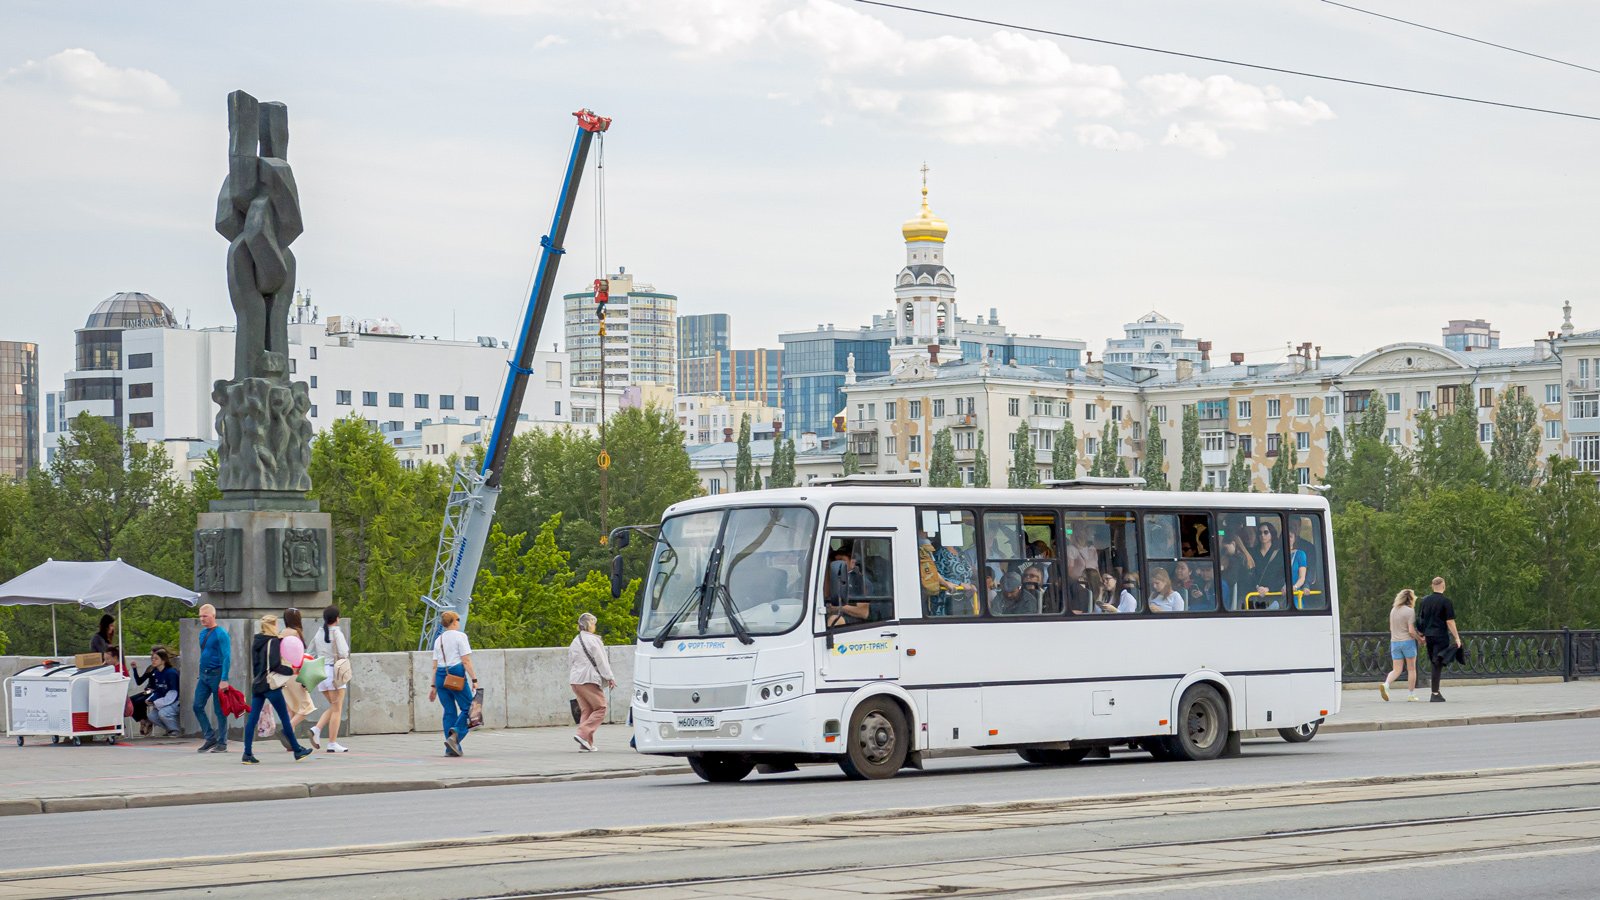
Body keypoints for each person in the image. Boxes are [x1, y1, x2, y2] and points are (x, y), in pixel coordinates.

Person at [242, 615, 312, 764]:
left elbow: (256, 665)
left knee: (253, 719)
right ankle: (297, 751)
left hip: (258, 683)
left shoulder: (257, 641)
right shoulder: (274, 641)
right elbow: (275, 665)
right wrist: (290, 671)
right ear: (273, 625)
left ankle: (247, 753)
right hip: (271, 685)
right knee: (285, 719)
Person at [429, 610, 478, 757]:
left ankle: (450, 748)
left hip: (440, 676)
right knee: (469, 707)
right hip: (455, 673)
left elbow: (434, 665)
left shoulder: (439, 640)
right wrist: (474, 679)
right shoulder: (460, 636)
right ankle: (455, 736)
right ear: (455, 621)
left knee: (449, 712)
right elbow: (465, 661)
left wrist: (433, 686)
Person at [569, 612, 616, 752]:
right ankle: (582, 733)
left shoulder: (575, 641)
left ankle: (585, 744)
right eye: (594, 624)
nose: (595, 626)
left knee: (587, 711)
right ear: (590, 625)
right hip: (588, 679)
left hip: (575, 680)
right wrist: (609, 677)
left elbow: (571, 661)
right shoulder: (594, 641)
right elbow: (602, 661)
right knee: (601, 707)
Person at [308, 606, 351, 753]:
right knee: (337, 709)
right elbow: (344, 652)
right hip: (334, 673)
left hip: (321, 671)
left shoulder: (319, 633)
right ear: (337, 618)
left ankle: (317, 729)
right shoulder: (337, 633)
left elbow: (310, 651)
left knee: (334, 706)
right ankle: (331, 742)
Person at [193, 604, 233, 754]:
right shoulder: (203, 633)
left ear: (213, 616)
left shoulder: (221, 633)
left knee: (220, 709)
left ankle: (222, 742)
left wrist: (224, 678)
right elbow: (204, 652)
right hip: (204, 674)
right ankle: (210, 737)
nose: (202, 619)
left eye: (205, 616)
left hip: (217, 674)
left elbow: (226, 656)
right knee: (197, 705)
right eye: (201, 616)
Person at [1416, 577, 1462, 702]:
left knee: (1434, 662)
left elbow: (1420, 619)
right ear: (1444, 586)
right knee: (1438, 663)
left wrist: (1421, 636)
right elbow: (1450, 621)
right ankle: (1435, 693)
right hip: (1441, 635)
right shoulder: (1446, 602)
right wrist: (1457, 638)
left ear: (1432, 586)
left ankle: (1436, 691)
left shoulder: (1425, 601)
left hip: (1429, 636)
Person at [276, 608, 315, 750]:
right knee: (306, 707)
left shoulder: (281, 633)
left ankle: (291, 744)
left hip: (282, 676)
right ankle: (288, 729)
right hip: (294, 674)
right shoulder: (296, 633)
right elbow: (299, 657)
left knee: (290, 709)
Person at [1382, 589, 1423, 702]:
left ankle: (1386, 684)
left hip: (1394, 642)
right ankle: (1411, 694)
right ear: (1411, 598)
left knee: (1396, 670)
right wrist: (1419, 639)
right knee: (1411, 669)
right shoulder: (1409, 611)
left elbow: (1391, 628)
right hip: (1407, 642)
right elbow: (1411, 630)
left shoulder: (1393, 610)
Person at [135, 647, 180, 735]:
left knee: (163, 713)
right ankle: (169, 729)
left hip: (175, 702)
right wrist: (151, 699)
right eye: (152, 658)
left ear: (163, 661)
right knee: (152, 716)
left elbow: (173, 693)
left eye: (156, 659)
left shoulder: (171, 673)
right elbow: (158, 690)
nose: (153, 660)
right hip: (163, 702)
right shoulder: (157, 672)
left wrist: (158, 703)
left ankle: (175, 730)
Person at [1253, 523, 1286, 609]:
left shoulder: (1279, 553)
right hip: (1255, 596)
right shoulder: (1253, 552)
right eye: (1260, 533)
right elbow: (1250, 574)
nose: (1262, 535)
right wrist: (1257, 588)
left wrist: (1268, 589)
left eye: (1266, 532)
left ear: (1272, 534)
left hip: (1273, 597)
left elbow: (1282, 577)